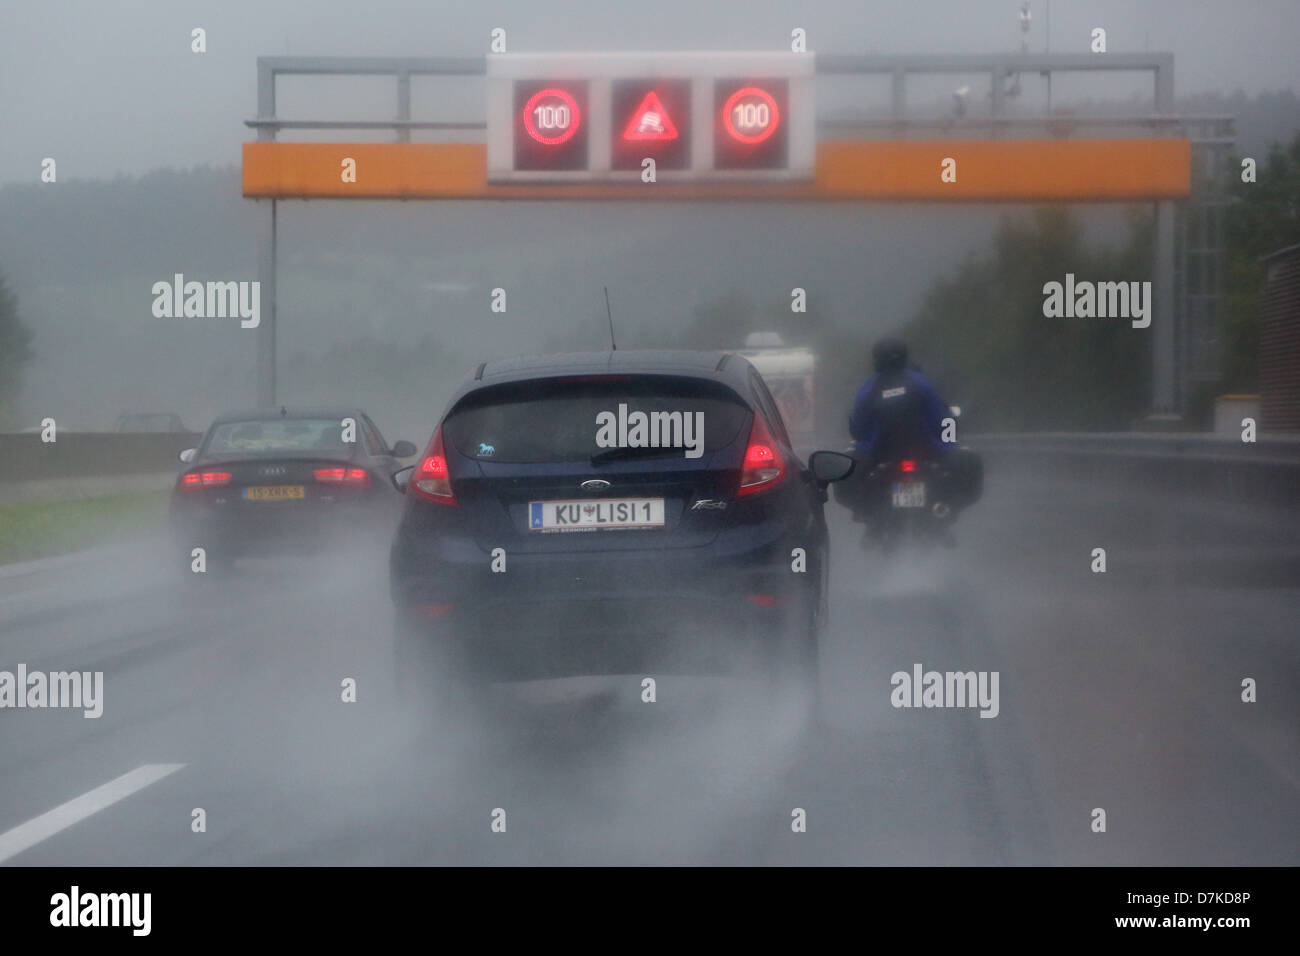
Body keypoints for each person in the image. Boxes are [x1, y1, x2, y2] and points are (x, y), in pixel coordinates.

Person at [849, 337, 952, 464]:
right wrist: (949, 444)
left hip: (878, 454)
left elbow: (860, 429)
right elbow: (941, 416)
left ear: (877, 360)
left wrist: (862, 443)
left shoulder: (868, 388)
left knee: (846, 466)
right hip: (927, 449)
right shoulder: (921, 382)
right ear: (904, 357)